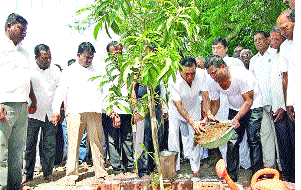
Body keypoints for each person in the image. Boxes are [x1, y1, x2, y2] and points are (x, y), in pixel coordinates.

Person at [52, 42, 107, 185]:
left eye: (91, 57)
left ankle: (100, 171)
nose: (89, 60)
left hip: (94, 110)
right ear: (78, 55)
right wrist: (56, 110)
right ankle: (71, 174)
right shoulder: (69, 71)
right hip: (75, 111)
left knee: (96, 143)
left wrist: (109, 108)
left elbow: (105, 91)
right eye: (86, 57)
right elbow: (60, 91)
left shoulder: (98, 71)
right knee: (73, 143)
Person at [206, 55, 263, 182]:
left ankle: (258, 177)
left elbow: (248, 101)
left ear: (223, 67)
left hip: (254, 106)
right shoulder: (212, 81)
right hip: (235, 108)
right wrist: (208, 117)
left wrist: (236, 119)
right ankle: (231, 176)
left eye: (214, 72)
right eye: (210, 74)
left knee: (253, 140)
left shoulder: (241, 75)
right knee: (232, 141)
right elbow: (215, 103)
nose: (212, 76)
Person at [0, 13, 36, 189]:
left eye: (25, 30)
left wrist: (32, 98)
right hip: (4, 105)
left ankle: (15, 186)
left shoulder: (24, 51)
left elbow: (26, 78)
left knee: (17, 151)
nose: (24, 33)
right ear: (9, 26)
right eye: (21, 29)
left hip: (22, 105)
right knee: (1, 152)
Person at [168, 57, 216, 177]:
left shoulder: (202, 74)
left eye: (192, 73)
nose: (190, 76)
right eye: (187, 74)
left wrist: (208, 112)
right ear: (180, 71)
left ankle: (195, 168)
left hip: (193, 106)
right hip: (176, 109)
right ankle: (175, 168)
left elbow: (205, 95)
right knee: (173, 137)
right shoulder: (172, 79)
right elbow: (178, 105)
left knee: (195, 136)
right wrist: (191, 121)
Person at [23, 44, 60, 183]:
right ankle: (27, 174)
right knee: (29, 145)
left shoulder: (56, 71)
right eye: (44, 57)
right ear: (36, 57)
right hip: (32, 114)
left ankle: (48, 172)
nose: (48, 60)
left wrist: (57, 110)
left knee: (49, 145)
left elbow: (59, 92)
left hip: (50, 114)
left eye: (49, 57)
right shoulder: (29, 71)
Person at [103, 41, 135, 175]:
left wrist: (134, 109)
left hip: (126, 109)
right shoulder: (105, 69)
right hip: (113, 109)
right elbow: (105, 91)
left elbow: (131, 88)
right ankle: (117, 168)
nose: (118, 55)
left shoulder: (127, 67)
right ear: (109, 54)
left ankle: (130, 165)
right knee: (113, 139)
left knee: (127, 138)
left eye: (120, 52)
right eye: (114, 53)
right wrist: (112, 111)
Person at [249, 31, 278, 169]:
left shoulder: (275, 53)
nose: (258, 42)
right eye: (255, 40)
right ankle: (269, 167)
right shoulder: (254, 60)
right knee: (265, 135)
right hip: (261, 103)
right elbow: (252, 83)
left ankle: (283, 166)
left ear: (267, 40)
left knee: (280, 136)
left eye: (261, 39)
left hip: (277, 103)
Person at [269, 27, 294, 182]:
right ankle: (289, 178)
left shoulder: (288, 52)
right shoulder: (273, 55)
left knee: (293, 147)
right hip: (276, 109)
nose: (273, 42)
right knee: (283, 148)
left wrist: (285, 107)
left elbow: (287, 81)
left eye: (276, 39)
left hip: (287, 109)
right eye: (271, 39)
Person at [277, 9, 295, 122]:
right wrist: (288, 102)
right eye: (280, 30)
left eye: (285, 28)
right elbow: (285, 77)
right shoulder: (284, 47)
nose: (283, 33)